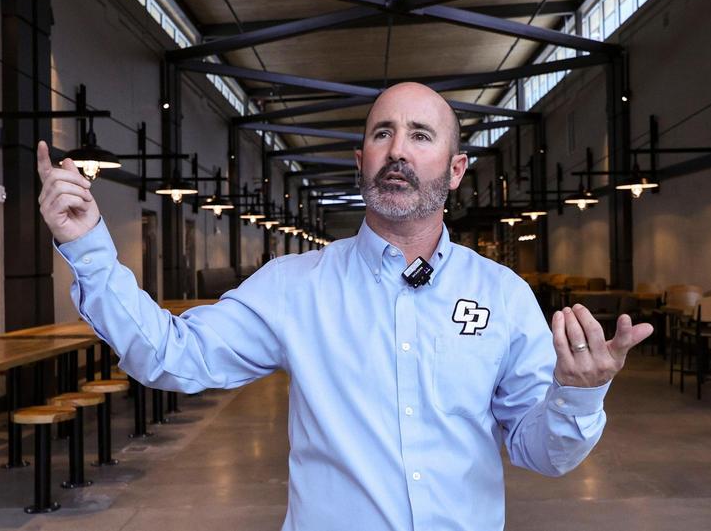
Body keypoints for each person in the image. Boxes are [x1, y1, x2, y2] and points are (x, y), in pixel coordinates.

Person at [37, 81, 652, 531]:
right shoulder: (295, 286)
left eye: (420, 135)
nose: (398, 150)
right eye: (381, 133)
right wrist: (88, 247)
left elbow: (540, 452)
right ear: (360, 162)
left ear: (457, 168)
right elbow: (171, 356)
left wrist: (578, 394)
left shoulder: (503, 296)